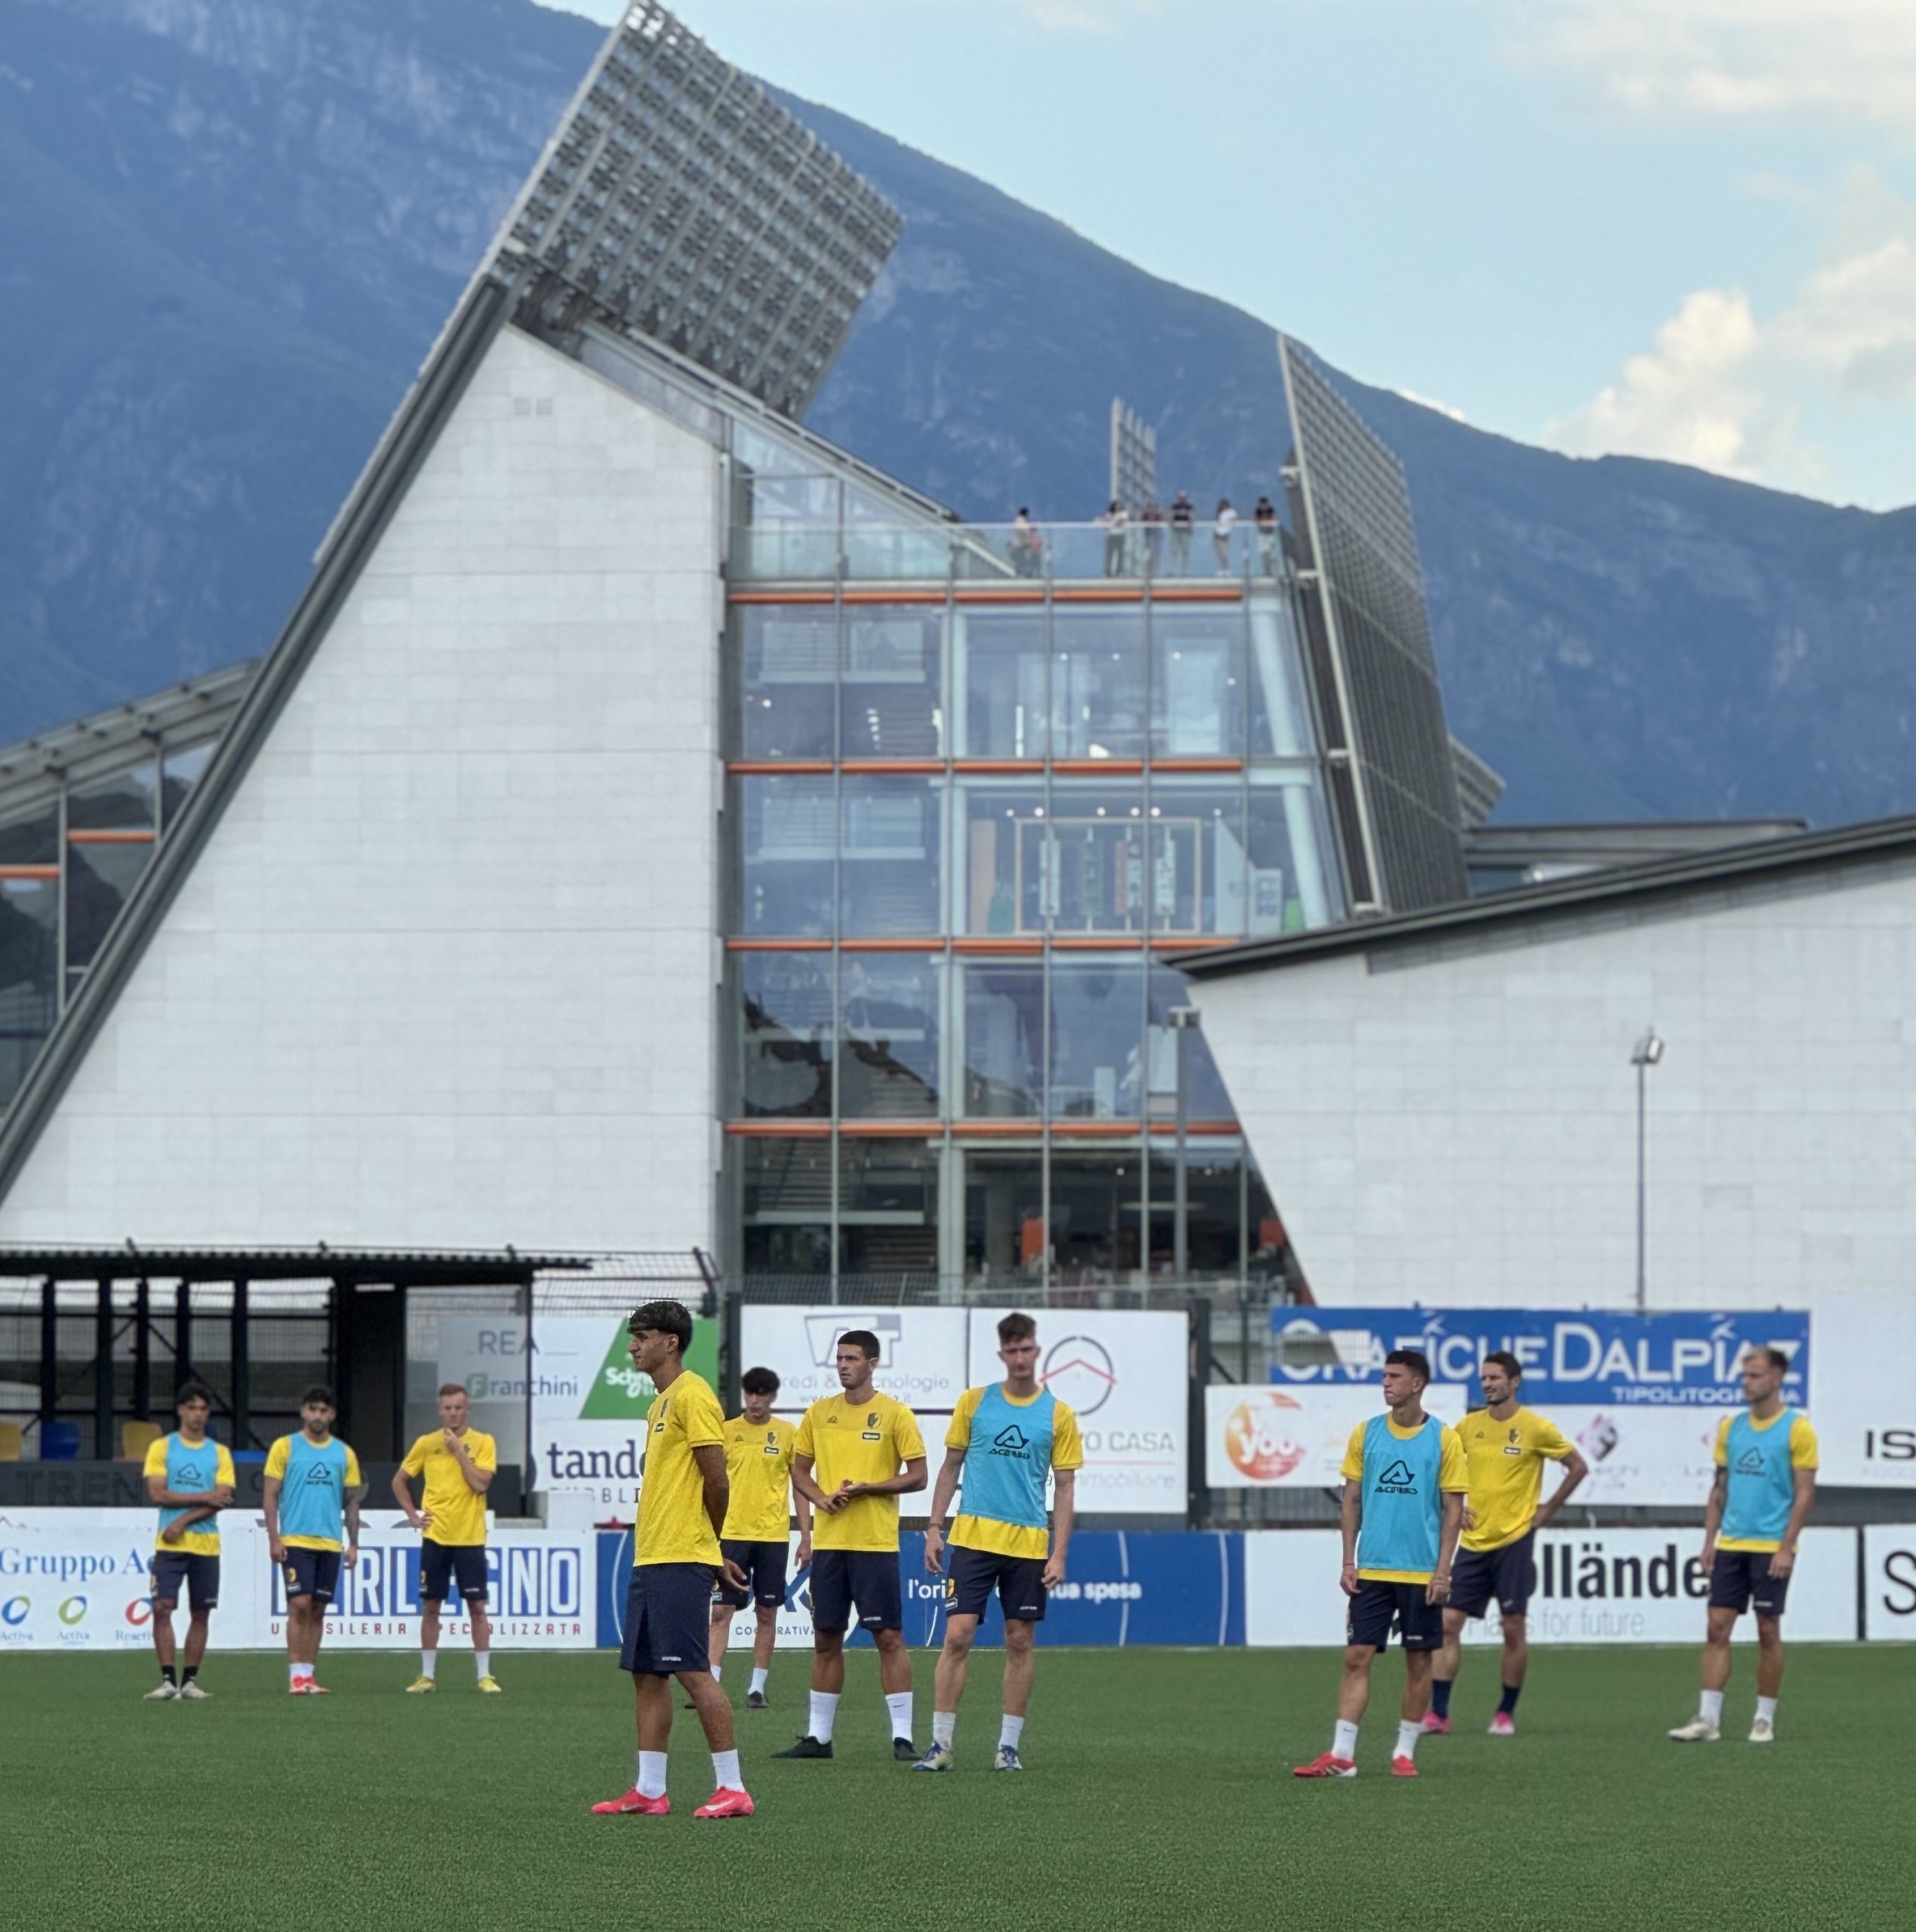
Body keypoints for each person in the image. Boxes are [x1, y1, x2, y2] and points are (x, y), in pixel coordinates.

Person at [592, 1301, 755, 1819]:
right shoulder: (660, 1404)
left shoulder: (693, 1394)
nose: (633, 1346)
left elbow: (718, 1480)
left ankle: (733, 1788)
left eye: (642, 1336)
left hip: (680, 1557)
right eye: (633, 1336)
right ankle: (649, 1791)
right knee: (646, 1674)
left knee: (693, 1671)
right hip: (653, 1555)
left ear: (671, 1342)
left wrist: (712, 1546)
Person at [914, 1312, 1080, 1773]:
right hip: (973, 1537)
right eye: (1012, 1350)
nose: (1020, 1357)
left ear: (1035, 1351)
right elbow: (950, 1467)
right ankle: (941, 1745)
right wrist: (934, 1528)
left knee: (1019, 1640)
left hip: (1028, 1544)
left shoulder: (1058, 1414)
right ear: (1002, 1354)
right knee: (958, 1635)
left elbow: (1065, 1487)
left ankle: (1008, 1747)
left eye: (1026, 1349)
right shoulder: (975, 1402)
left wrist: (1060, 1552)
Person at [1295, 1349, 1466, 1780]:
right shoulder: (1366, 1433)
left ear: (1417, 1384)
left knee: (1419, 1662)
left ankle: (1404, 1753)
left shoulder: (1444, 1439)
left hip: (1421, 1572)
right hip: (1372, 1569)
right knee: (1357, 1655)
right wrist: (1348, 1561)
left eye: (1395, 1376)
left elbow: (1453, 1510)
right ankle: (1343, 1755)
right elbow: (1351, 1499)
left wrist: (1443, 1570)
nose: (1386, 1383)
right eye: (1384, 1376)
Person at [775, 1329, 927, 1763]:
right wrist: (821, 1498)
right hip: (830, 1545)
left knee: (889, 1638)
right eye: (840, 1358)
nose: (843, 1365)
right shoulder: (819, 1412)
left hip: (875, 1545)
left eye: (852, 1358)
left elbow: (919, 1475)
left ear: (872, 1364)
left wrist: (869, 1488)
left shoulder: (895, 1414)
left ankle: (902, 1738)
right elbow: (799, 1470)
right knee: (826, 1638)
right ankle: (818, 1738)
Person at [1425, 1350, 1587, 1737]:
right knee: (1447, 1624)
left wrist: (1545, 1511)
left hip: (1515, 1540)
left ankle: (1505, 1712)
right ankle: (1440, 1713)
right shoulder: (1468, 1427)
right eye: (1484, 1378)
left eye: (1495, 1377)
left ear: (1514, 1382)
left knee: (1513, 1628)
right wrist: (1452, 1504)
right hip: (1473, 1542)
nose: (1487, 1384)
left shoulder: (1536, 1428)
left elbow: (1578, 1466)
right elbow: (1441, 1469)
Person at [1669, 1346, 1817, 1746]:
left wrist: (1787, 1546)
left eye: (1755, 1375)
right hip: (1732, 1543)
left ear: (1776, 1379)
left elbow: (1805, 1493)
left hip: (1771, 1546)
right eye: (1744, 1375)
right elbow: (1720, 1487)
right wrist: (1710, 1540)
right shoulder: (1731, 1427)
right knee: (1717, 1627)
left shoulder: (1797, 1429)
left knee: (1768, 1630)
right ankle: (1708, 1719)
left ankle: (1764, 1719)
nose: (1746, 1382)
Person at [707, 1365, 807, 1709]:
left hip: (772, 1537)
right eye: (750, 1394)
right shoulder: (725, 1432)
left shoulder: (788, 1433)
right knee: (721, 1611)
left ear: (772, 1397)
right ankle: (711, 1686)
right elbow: (710, 1485)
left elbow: (800, 1487)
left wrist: (806, 1536)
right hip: (731, 1535)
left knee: (767, 1612)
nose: (754, 1400)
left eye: (761, 1395)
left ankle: (757, 1688)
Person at [393, 1381, 500, 1694]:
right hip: (436, 1537)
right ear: (441, 1410)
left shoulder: (483, 1442)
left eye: (459, 1407)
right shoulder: (427, 1443)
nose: (453, 1413)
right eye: (448, 1408)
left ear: (468, 1409)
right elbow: (399, 1481)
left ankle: (485, 1676)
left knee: (477, 1606)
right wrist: (414, 1515)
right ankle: (427, 1676)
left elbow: (480, 1484)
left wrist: (458, 1452)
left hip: (470, 1537)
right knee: (431, 1606)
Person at [263, 1386, 363, 1696]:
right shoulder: (285, 1447)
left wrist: (353, 1543)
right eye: (313, 1409)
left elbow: (352, 1501)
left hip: (330, 1542)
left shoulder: (344, 1453)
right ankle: (295, 1675)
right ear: (303, 1411)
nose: (318, 1415)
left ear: (332, 1415)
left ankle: (309, 1675)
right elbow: (270, 1495)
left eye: (324, 1410)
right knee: (299, 1604)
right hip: (296, 1540)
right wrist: (274, 1538)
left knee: (318, 1608)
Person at [141, 1380, 235, 1701]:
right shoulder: (162, 1447)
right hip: (169, 1546)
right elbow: (158, 1493)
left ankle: (190, 1682)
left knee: (201, 1612)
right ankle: (168, 1680)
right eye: (191, 1407)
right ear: (181, 1410)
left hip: (205, 1544)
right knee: (162, 1607)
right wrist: (205, 1496)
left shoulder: (219, 1452)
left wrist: (182, 1520)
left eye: (203, 1409)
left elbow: (223, 1498)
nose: (197, 1414)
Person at [1009, 508, 1044, 578]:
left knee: (1021, 560)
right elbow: (1025, 531)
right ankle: (1021, 574)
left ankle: (1021, 574)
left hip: (1019, 544)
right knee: (1021, 560)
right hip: (1020, 545)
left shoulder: (1018, 521)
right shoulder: (1020, 521)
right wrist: (1029, 533)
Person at [1099, 500, 1128, 577]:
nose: (1117, 507)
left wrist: (1112, 521)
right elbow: (1106, 523)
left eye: (1118, 505)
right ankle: (1108, 572)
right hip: (1111, 536)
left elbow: (1122, 520)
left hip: (1120, 535)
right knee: (1109, 554)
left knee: (1120, 554)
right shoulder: (1109, 514)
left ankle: (1119, 572)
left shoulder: (1123, 513)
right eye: (1116, 505)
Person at [1168, 491, 1195, 573]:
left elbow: (1191, 518)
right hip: (1176, 531)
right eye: (1181, 498)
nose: (1182, 499)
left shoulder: (1189, 507)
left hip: (1185, 532)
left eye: (1184, 498)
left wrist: (1189, 525)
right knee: (1174, 550)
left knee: (1185, 551)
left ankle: (1184, 570)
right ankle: (1172, 569)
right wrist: (1172, 522)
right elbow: (1171, 517)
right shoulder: (1175, 506)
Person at [1253, 495, 1278, 574]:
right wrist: (1261, 522)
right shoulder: (1258, 511)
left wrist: (1267, 521)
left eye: (1265, 504)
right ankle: (1265, 571)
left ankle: (1272, 571)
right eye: (1262, 504)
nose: (1264, 506)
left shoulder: (1271, 510)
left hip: (1270, 534)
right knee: (1263, 553)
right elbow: (1254, 520)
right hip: (1262, 535)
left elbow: (1274, 520)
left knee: (1271, 553)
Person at [1212, 498, 1238, 574]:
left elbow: (1235, 518)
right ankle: (1220, 569)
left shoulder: (1231, 512)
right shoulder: (1220, 513)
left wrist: (1229, 521)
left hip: (1225, 535)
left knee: (1224, 553)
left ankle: (1226, 568)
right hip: (1217, 534)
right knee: (1219, 553)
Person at [1139, 500, 1164, 576]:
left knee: (1155, 558)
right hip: (1147, 540)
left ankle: (1154, 573)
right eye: (1151, 507)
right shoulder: (1145, 516)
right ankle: (1146, 573)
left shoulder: (1158, 517)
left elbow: (1163, 524)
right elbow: (1139, 523)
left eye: (1154, 508)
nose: (1152, 509)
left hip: (1156, 540)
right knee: (1147, 557)